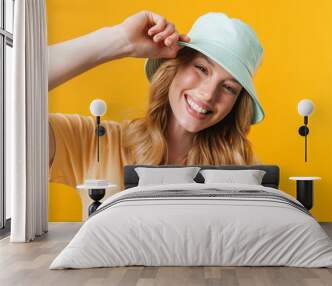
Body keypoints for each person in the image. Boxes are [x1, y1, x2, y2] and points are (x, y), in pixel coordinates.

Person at [48, 10, 265, 218]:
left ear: (236, 105)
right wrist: (121, 40)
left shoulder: (240, 174)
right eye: (201, 68)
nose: (209, 95)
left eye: (228, 87)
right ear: (175, 66)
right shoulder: (96, 143)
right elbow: (19, 86)